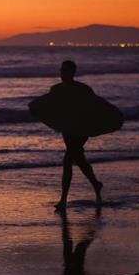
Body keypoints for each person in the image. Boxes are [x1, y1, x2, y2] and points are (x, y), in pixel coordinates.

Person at [51, 60, 103, 211]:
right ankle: (96, 185)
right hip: (67, 130)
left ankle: (63, 200)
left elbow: (94, 109)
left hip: (81, 130)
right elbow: (53, 109)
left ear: (73, 72)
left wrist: (91, 128)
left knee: (68, 159)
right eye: (61, 70)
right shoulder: (56, 89)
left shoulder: (83, 89)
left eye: (65, 71)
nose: (62, 73)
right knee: (79, 159)